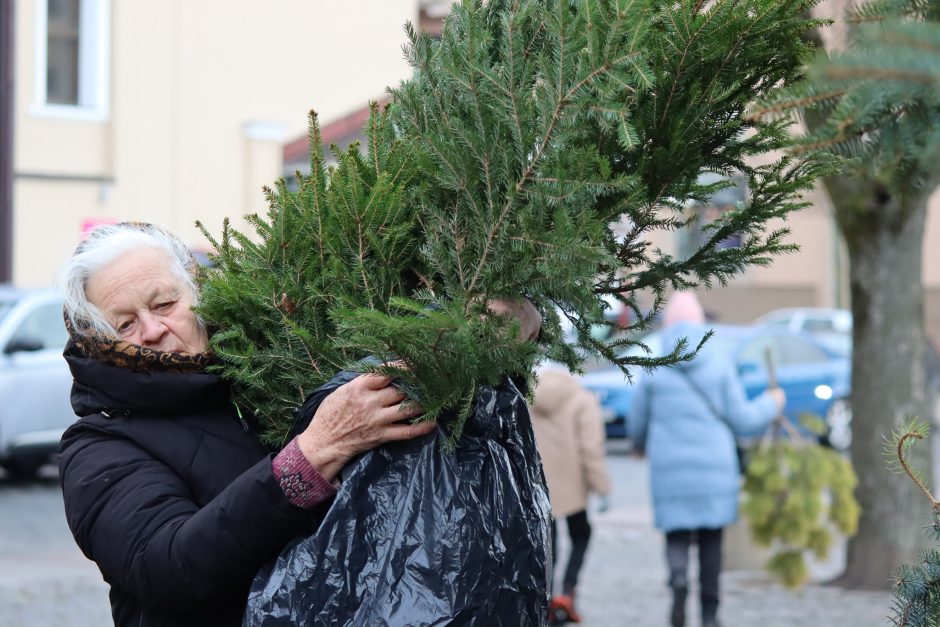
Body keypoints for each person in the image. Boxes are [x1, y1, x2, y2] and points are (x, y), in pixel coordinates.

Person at [56, 222, 540, 627]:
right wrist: (316, 450)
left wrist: (484, 335)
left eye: (164, 304)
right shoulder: (98, 446)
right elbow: (168, 569)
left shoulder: (268, 370)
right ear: (98, 342)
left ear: (197, 293)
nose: (154, 330)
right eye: (124, 324)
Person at [628, 292, 785, 627]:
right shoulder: (719, 360)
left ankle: (679, 579)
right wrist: (772, 403)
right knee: (712, 540)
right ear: (700, 322)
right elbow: (742, 419)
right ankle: (710, 615)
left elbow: (637, 419)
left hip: (670, 470)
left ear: (668, 323)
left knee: (676, 534)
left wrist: (638, 445)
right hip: (715, 470)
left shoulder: (655, 364)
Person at [531, 364, 611, 624]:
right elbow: (591, 448)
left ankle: (547, 598)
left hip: (538, 485)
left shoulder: (529, 394)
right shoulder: (581, 397)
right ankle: (567, 591)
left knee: (547, 544)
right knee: (581, 534)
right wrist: (602, 488)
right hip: (572, 487)